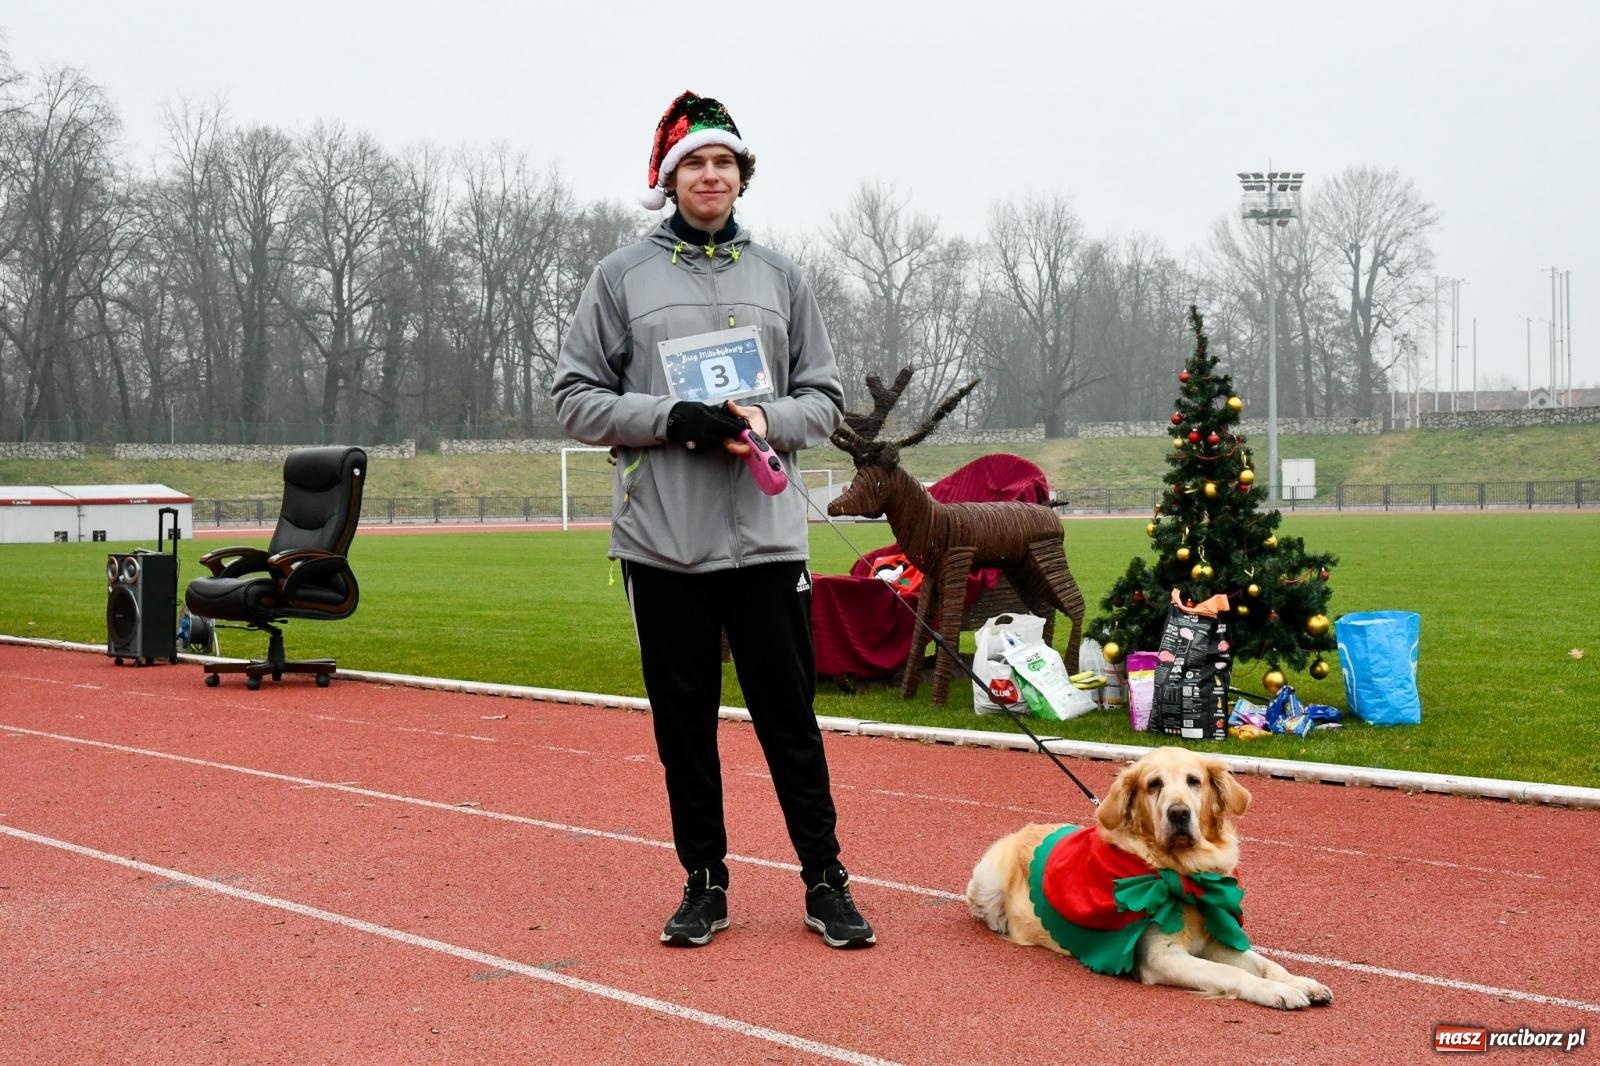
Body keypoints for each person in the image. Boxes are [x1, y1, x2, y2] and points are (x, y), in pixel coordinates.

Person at [550, 90, 875, 950]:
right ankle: (704, 883)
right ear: (669, 178)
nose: (710, 175)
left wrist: (768, 417)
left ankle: (826, 879)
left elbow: (824, 398)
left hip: (767, 539)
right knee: (684, 726)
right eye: (693, 162)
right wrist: (669, 418)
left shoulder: (783, 277)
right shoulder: (620, 276)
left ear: (742, 175)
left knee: (790, 720)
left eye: (723, 161)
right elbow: (574, 398)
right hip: (664, 543)